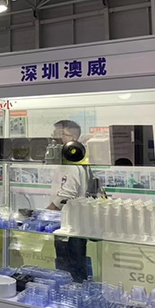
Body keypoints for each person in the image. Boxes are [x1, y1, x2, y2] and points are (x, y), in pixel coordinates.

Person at [47, 120, 89, 283]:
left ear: (74, 138)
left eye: (61, 134)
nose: (56, 138)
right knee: (65, 264)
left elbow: (66, 195)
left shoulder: (72, 163)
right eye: (55, 134)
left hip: (71, 225)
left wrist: (45, 213)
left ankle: (74, 294)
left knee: (71, 267)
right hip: (64, 222)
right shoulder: (64, 161)